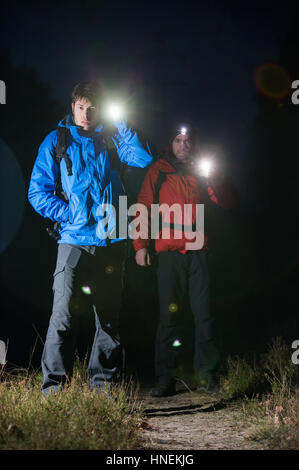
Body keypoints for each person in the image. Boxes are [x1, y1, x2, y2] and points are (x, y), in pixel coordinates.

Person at [28, 81, 153, 396]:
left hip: (111, 240)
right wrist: (69, 214)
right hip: (73, 240)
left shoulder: (111, 140)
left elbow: (143, 159)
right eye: (81, 106)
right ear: (73, 106)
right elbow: (37, 192)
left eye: (93, 107)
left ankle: (102, 390)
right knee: (63, 315)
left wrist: (122, 122)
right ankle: (53, 390)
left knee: (108, 320)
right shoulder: (56, 141)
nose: (86, 113)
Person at [133, 123, 237, 397]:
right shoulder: (158, 170)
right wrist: (140, 246)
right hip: (168, 254)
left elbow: (226, 201)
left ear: (193, 144)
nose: (183, 145)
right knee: (169, 317)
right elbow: (142, 206)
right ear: (171, 143)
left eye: (188, 141)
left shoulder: (201, 172)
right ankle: (165, 380)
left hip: (199, 252)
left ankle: (207, 377)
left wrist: (213, 175)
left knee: (204, 315)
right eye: (178, 140)